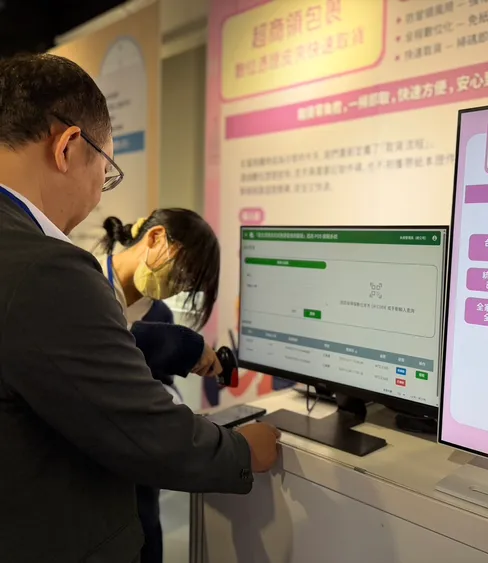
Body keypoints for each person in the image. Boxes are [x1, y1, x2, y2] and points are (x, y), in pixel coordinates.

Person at [0, 53, 281, 563]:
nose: (96, 197)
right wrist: (242, 451)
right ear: (68, 147)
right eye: (106, 174)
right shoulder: (48, 269)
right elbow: (143, 431)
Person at [96, 210, 226, 563]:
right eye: (181, 274)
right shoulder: (85, 286)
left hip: (138, 462)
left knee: (146, 531)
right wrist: (182, 346)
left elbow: (156, 389)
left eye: (188, 284)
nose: (179, 287)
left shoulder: (160, 315)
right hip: (91, 467)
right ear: (155, 238)